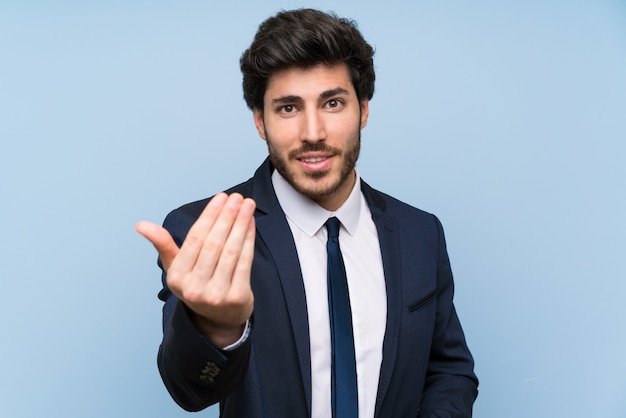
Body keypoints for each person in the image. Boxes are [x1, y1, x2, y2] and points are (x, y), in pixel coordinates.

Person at [136, 8, 478, 418]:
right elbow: (189, 391)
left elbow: (448, 370)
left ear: (363, 110)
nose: (313, 132)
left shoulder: (420, 232)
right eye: (288, 108)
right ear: (260, 121)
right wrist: (218, 329)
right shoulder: (206, 231)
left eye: (332, 103)